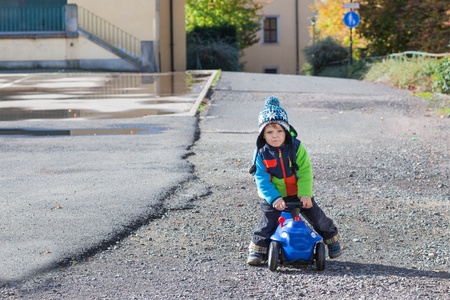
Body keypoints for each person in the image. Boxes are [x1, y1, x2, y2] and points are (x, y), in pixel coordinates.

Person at [247, 95, 342, 266]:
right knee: (268, 222)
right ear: (262, 134)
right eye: (269, 132)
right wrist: (274, 198)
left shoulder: (296, 148)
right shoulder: (261, 153)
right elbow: (261, 178)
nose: (275, 136)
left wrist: (305, 194)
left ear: (286, 130)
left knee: (317, 217)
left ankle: (331, 239)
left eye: (279, 131)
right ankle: (258, 249)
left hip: (297, 193)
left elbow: (305, 171)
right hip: (274, 196)